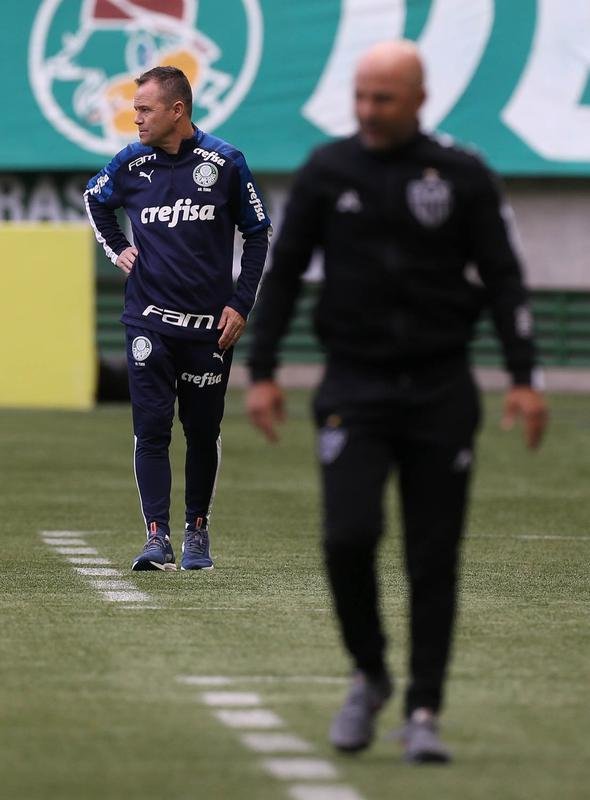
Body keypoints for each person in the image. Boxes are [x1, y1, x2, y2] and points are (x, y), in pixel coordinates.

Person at [245, 40, 547, 763]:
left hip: (442, 392)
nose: (368, 111)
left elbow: (504, 279)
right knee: (346, 537)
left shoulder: (464, 175)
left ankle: (424, 711)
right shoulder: (327, 171)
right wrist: (260, 370)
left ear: (419, 98)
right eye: (361, 96)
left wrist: (526, 378)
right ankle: (371, 672)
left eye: (383, 98)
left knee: (432, 558)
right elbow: (283, 273)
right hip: (354, 385)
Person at [85, 66, 271, 572]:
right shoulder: (130, 164)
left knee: (203, 430)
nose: (135, 117)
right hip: (146, 320)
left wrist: (241, 303)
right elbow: (94, 198)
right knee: (151, 429)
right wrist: (118, 247)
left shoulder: (226, 163)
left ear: (177, 111)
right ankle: (155, 536)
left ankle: (197, 531)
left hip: (210, 327)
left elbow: (258, 234)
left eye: (144, 109)